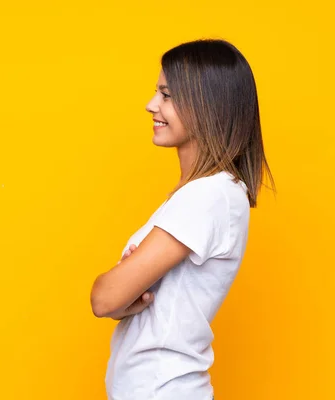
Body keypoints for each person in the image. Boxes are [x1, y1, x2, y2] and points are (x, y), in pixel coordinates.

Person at [90, 38, 276, 400]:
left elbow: (103, 298)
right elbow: (118, 302)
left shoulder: (209, 196)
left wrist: (117, 291)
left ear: (207, 105)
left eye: (167, 95)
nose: (151, 105)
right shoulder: (203, 195)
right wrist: (122, 301)